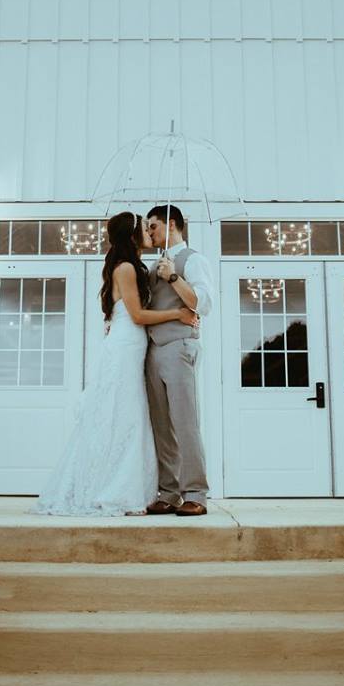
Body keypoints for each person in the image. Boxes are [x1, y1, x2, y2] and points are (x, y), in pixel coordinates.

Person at [32, 211, 197, 516]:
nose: (150, 231)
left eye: (152, 226)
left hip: (134, 347)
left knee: (130, 417)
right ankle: (109, 487)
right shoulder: (124, 269)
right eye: (144, 228)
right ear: (133, 235)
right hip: (125, 348)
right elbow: (137, 316)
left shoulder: (136, 267)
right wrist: (177, 314)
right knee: (121, 417)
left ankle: (129, 484)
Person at [145, 204, 214, 516]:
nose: (149, 232)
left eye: (153, 226)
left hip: (178, 345)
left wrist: (173, 276)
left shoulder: (192, 260)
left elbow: (202, 304)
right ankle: (169, 492)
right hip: (152, 348)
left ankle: (196, 493)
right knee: (161, 425)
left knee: (184, 421)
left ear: (171, 224)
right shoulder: (154, 264)